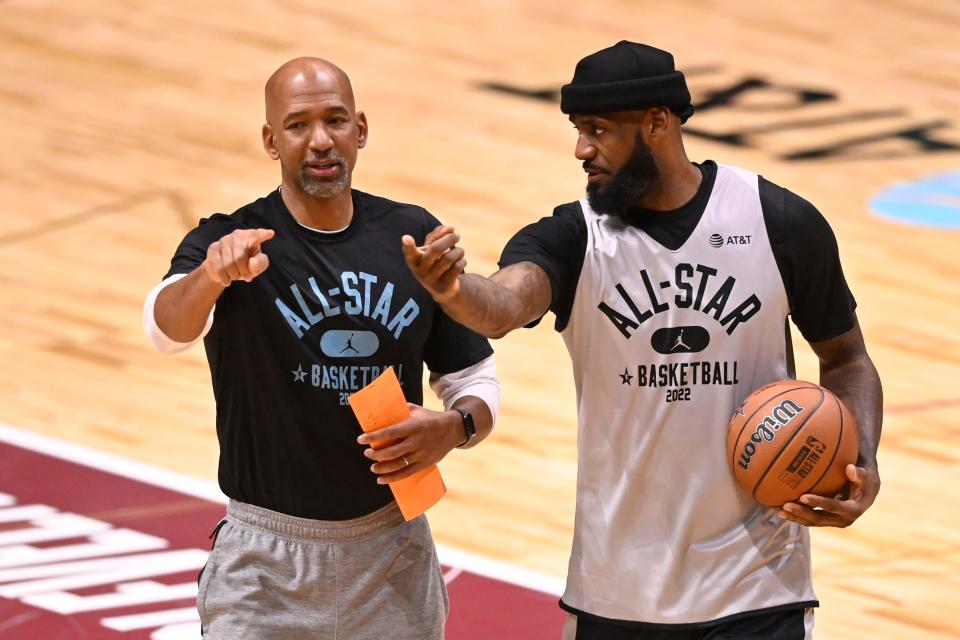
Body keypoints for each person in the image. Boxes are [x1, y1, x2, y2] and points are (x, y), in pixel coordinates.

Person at [403, 41, 882, 639]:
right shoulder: (574, 237)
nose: (582, 149)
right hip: (616, 594)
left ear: (657, 122)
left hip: (759, 589)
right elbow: (504, 303)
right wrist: (452, 290)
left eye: (598, 130)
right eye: (578, 130)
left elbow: (846, 357)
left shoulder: (776, 220)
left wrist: (860, 463)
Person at [142, 57, 499, 639]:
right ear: (270, 139)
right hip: (265, 561)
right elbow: (164, 329)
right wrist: (210, 277)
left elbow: (476, 379)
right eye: (297, 125)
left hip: (391, 549)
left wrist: (456, 428)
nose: (319, 141)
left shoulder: (409, 234)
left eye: (335, 121)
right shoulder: (229, 238)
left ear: (360, 130)